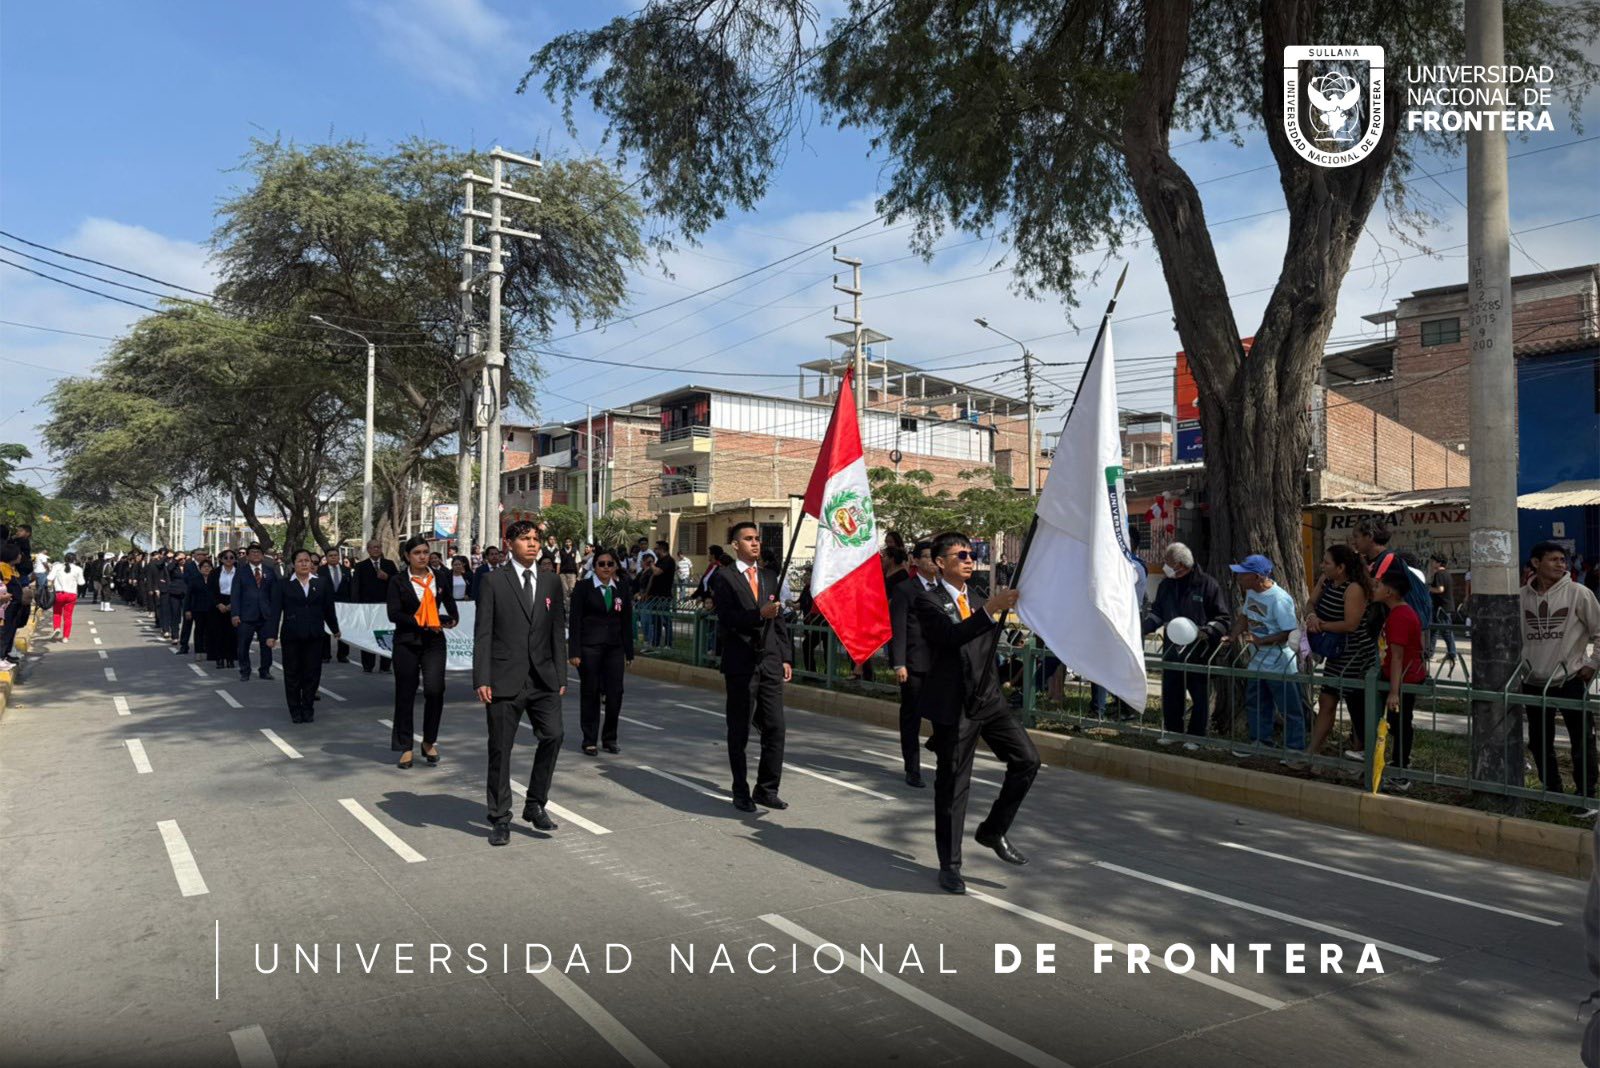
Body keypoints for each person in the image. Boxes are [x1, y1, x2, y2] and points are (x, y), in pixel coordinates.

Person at [912, 531, 1038, 895]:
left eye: (971, 554)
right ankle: (950, 866)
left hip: (989, 700)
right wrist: (991, 610)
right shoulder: (929, 601)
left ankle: (993, 830)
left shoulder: (981, 598)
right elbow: (951, 638)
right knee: (953, 786)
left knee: (1027, 760)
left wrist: (996, 610)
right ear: (940, 563)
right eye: (960, 555)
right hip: (954, 705)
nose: (969, 560)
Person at [474, 519, 567, 845]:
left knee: (554, 735)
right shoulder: (492, 581)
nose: (532, 544)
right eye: (525, 539)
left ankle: (535, 803)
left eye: (536, 539)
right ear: (509, 543)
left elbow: (557, 632)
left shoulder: (551, 583)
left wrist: (561, 675)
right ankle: (500, 817)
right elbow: (483, 632)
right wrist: (482, 677)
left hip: (543, 678)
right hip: (503, 679)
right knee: (500, 749)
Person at [706, 522, 793, 813]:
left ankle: (767, 789)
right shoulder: (724, 578)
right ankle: (740, 789)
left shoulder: (770, 576)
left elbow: (778, 621)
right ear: (735, 544)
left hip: (769, 661)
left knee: (776, 728)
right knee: (739, 729)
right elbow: (728, 618)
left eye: (757, 539)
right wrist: (759, 614)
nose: (755, 543)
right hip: (741, 663)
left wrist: (785, 656)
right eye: (748, 539)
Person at [1520, 541, 1600, 799]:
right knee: (1540, 742)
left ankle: (1585, 795)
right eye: (1553, 559)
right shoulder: (1521, 597)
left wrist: (1592, 664)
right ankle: (1552, 790)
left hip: (1570, 679)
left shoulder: (1579, 593)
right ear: (1535, 563)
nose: (1561, 565)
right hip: (1534, 680)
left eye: (1562, 560)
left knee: (1582, 743)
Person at [1142, 542, 1231, 749]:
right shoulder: (1166, 585)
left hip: (1199, 649)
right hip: (1172, 647)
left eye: (1168, 564)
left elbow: (1223, 618)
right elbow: (1157, 614)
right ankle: (1173, 730)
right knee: (1172, 691)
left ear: (1181, 565)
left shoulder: (1207, 585)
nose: (1165, 567)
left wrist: (1206, 631)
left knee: (1200, 695)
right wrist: (1142, 628)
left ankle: (1196, 737)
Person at [387, 536, 458, 767]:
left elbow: (449, 600)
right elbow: (394, 614)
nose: (422, 556)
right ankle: (405, 746)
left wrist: (452, 618)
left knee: (435, 690)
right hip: (406, 642)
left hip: (434, 642)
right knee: (405, 693)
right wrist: (424, 622)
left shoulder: (439, 577)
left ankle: (429, 741)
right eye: (417, 552)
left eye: (425, 552)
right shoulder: (398, 581)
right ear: (408, 556)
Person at [1227, 554, 1303, 755]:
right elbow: (1245, 615)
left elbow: (1288, 630)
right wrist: (1233, 635)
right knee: (1257, 702)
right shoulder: (1251, 592)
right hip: (1258, 660)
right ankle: (1261, 742)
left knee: (1290, 708)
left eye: (1244, 575)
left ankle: (1295, 748)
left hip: (1279, 662)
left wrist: (1262, 640)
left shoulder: (1279, 598)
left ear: (1258, 577)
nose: (1240, 579)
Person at [1304, 544, 1373, 759]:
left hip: (1355, 654)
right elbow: (1310, 603)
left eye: (1326, 562)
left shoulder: (1354, 589)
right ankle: (1312, 753)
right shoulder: (1325, 582)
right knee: (1326, 701)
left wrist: (1321, 626)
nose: (1321, 565)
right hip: (1336, 654)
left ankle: (1362, 753)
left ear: (1341, 567)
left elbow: (1351, 624)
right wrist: (1312, 617)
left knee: (1356, 706)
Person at [569, 547, 634, 756]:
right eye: (601, 564)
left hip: (614, 648)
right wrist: (574, 651)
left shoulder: (622, 588)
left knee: (615, 694)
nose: (606, 568)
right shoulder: (583, 587)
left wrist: (629, 651)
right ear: (594, 566)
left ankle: (610, 738)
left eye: (610, 564)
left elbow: (626, 621)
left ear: (615, 566)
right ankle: (589, 739)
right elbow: (575, 619)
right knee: (591, 692)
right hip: (590, 648)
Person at [889, 539, 940, 787]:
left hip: (941, 663)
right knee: (911, 717)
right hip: (914, 663)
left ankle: (938, 747)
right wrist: (899, 663)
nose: (934, 561)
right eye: (929, 556)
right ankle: (913, 769)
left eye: (937, 557)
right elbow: (898, 629)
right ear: (916, 560)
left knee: (946, 713)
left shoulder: (945, 589)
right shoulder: (904, 590)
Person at [1372, 566, 1426, 788]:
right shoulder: (1398, 612)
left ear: (1390, 592)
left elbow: (1397, 657)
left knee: (1401, 725)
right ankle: (1400, 765)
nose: (1374, 589)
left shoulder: (1400, 616)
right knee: (1397, 724)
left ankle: (1401, 772)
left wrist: (1394, 692)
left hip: (1404, 680)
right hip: (1401, 677)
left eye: (1378, 586)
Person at [274, 549, 341, 724]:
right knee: (292, 674)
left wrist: (335, 629)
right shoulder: (284, 584)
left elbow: (329, 609)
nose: (304, 564)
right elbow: (275, 612)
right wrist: (271, 635)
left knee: (312, 673)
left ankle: (308, 707)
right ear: (293, 564)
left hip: (315, 635)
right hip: (292, 635)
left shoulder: (322, 583)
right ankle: (295, 709)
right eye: (300, 561)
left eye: (307, 561)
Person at [231, 544, 282, 681]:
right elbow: (235, 594)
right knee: (243, 645)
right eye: (252, 552)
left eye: (258, 552)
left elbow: (275, 594)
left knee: (266, 645)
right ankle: (245, 670)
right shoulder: (241, 571)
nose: (255, 554)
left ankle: (265, 670)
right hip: (246, 615)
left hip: (265, 615)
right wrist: (235, 614)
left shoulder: (270, 571)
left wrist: (274, 612)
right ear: (247, 556)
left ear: (263, 555)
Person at [352, 540, 397, 673]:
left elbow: (398, 581)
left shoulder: (389, 564)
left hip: (385, 605)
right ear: (368, 550)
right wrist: (356, 606)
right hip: (368, 607)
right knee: (368, 635)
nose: (376, 550)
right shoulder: (361, 566)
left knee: (386, 634)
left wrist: (388, 577)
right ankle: (368, 665)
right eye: (373, 548)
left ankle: (385, 665)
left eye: (378, 547)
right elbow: (355, 587)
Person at [317, 551, 353, 663]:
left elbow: (351, 588)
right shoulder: (321, 570)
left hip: (344, 605)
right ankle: (325, 655)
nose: (333, 557)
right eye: (330, 556)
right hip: (327, 603)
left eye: (335, 555)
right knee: (326, 629)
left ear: (339, 557)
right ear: (326, 558)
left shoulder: (346, 570)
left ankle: (343, 655)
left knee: (343, 629)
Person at [208, 550, 240, 670]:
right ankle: (219, 658)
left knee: (232, 633)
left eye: (231, 557)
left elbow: (243, 589)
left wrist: (233, 604)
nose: (229, 559)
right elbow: (210, 590)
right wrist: (218, 604)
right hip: (218, 603)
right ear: (221, 559)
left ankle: (231, 658)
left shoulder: (239, 573)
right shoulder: (215, 572)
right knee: (218, 632)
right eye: (225, 557)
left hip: (234, 602)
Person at [46, 552, 85, 642]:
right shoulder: (78, 569)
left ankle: (57, 628)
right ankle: (66, 637)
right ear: (74, 560)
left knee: (57, 613)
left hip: (59, 594)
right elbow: (81, 583)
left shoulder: (57, 567)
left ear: (64, 559)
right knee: (68, 617)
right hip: (71, 595)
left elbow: (50, 578)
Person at [1428, 554, 1458, 664]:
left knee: (1446, 632)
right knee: (1434, 630)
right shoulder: (1447, 574)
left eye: (1433, 561)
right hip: (1444, 607)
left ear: (1439, 563)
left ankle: (1452, 654)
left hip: (1442, 608)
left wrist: (1429, 588)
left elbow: (1440, 589)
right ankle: (1429, 653)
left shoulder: (1439, 574)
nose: (1432, 564)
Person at [177, 549, 209, 656]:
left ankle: (203, 647)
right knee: (187, 624)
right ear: (195, 555)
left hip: (204, 601)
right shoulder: (189, 566)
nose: (204, 556)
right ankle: (184, 645)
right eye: (202, 554)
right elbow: (186, 579)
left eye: (205, 555)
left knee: (203, 626)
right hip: (191, 598)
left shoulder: (208, 565)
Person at [186, 558, 218, 662]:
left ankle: (210, 651)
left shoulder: (215, 579)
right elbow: (188, 596)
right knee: (199, 630)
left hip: (212, 609)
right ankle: (199, 651)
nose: (206, 569)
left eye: (209, 567)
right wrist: (188, 610)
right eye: (204, 567)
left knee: (211, 631)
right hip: (198, 609)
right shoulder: (194, 579)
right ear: (200, 569)